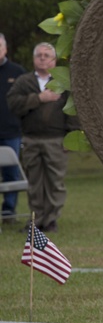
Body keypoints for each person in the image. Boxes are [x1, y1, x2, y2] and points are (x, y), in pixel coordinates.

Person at [7, 42, 78, 232]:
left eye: (47, 55)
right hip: (31, 139)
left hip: (56, 140)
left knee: (55, 182)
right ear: (33, 59)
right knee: (35, 182)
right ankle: (36, 220)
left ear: (54, 60)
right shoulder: (24, 81)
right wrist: (39, 99)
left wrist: (70, 138)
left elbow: (74, 110)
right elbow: (13, 103)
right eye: (39, 55)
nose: (43, 58)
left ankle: (51, 219)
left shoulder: (64, 82)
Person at [0, 33, 27, 224]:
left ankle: (9, 211)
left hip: (11, 132)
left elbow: (25, 103)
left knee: (12, 174)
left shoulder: (17, 72)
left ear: (5, 49)